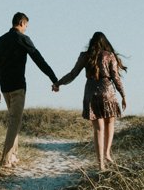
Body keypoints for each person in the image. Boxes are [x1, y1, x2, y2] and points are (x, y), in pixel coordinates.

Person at [0, 11, 60, 168]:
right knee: (14, 121)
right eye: (26, 26)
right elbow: (39, 59)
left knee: (15, 119)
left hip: (4, 87)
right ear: (21, 23)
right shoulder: (22, 38)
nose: (26, 29)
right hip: (17, 86)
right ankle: (6, 159)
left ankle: (13, 155)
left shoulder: (1, 40)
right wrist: (54, 79)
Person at [53, 31, 127, 169]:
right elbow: (115, 77)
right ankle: (107, 154)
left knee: (98, 129)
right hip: (107, 91)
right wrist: (123, 95)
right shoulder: (110, 56)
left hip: (91, 92)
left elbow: (73, 74)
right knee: (110, 123)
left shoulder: (85, 56)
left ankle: (101, 164)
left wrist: (58, 83)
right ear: (105, 42)